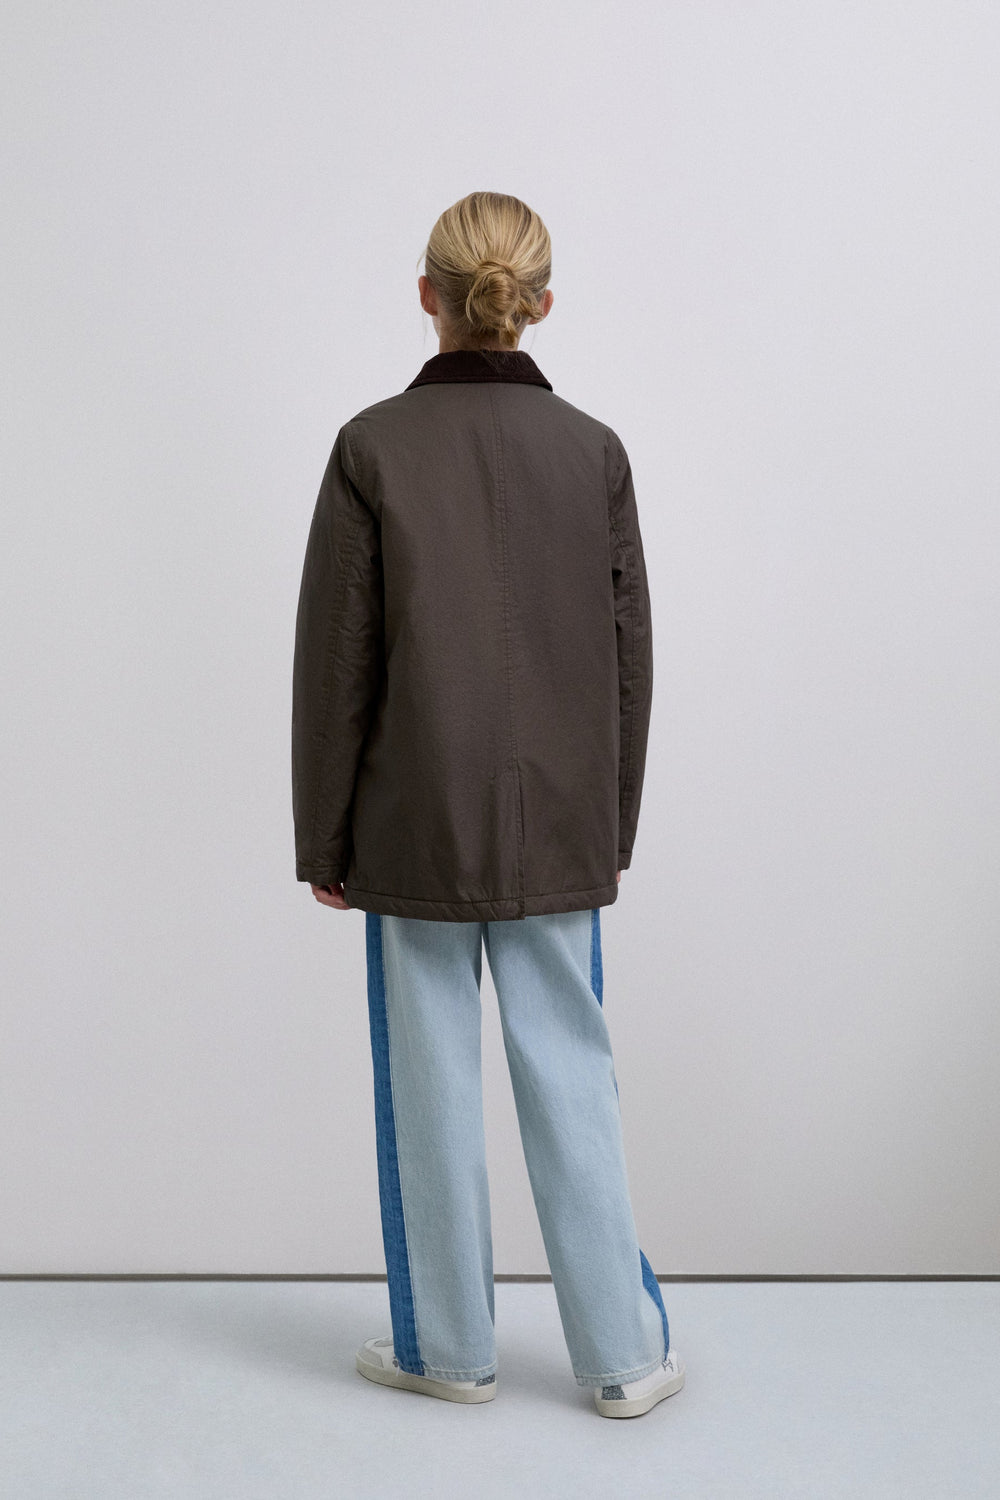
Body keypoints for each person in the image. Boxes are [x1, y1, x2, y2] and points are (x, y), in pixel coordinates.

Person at [291, 190, 684, 1418]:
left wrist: (323, 837)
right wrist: (607, 826)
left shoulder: (371, 446)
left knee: (428, 1086)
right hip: (559, 820)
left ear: (427, 296)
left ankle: (447, 1351)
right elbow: (629, 662)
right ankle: (623, 1358)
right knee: (572, 1072)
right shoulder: (595, 451)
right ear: (540, 304)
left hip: (410, 823)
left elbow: (336, 663)